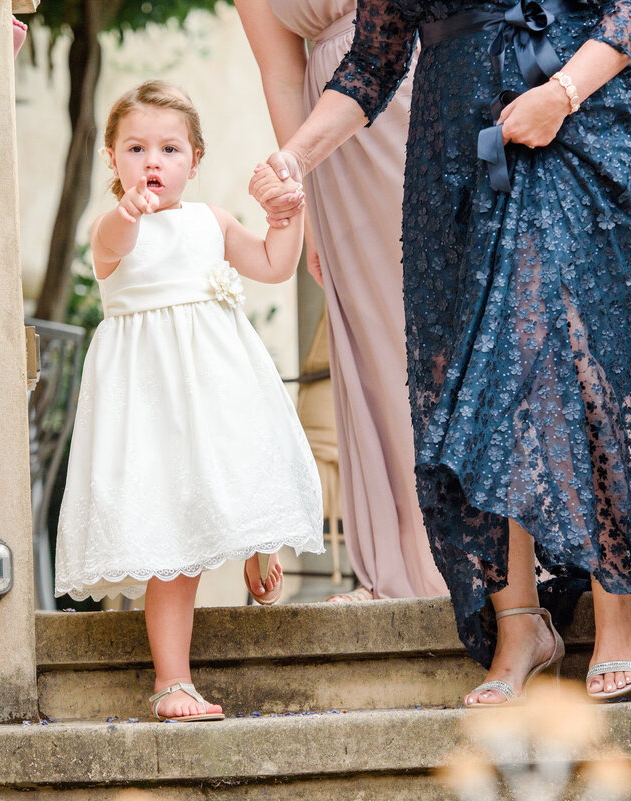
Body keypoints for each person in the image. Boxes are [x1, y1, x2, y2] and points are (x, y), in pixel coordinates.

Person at [251, 0, 631, 703]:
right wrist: (294, 156)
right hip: (451, 140)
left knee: (575, 360)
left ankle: (620, 597)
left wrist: (562, 93)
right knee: (473, 378)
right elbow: (372, 62)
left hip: (576, 119)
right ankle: (518, 624)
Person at [54, 80, 323, 722]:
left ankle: (258, 541)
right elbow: (114, 246)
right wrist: (128, 213)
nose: (153, 161)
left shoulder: (211, 221)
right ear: (113, 161)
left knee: (238, 462)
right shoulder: (113, 227)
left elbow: (272, 264)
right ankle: (172, 682)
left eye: (170, 148)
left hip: (220, 384)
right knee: (168, 525)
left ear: (194, 161)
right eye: (136, 148)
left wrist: (287, 218)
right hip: (150, 400)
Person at [236, 0, 448, 603]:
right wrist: (303, 200)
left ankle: (523, 550)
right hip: (335, 149)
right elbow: (279, 74)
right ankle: (416, 562)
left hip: (425, 83)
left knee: (467, 325)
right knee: (385, 350)